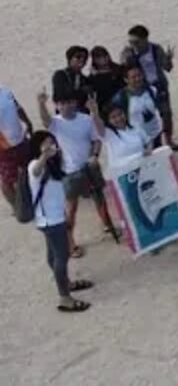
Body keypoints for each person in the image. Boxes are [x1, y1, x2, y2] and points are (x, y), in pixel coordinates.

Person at [36, 89, 113, 257]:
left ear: (75, 103)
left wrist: (94, 155)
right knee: (71, 210)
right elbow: (45, 120)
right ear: (57, 105)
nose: (66, 106)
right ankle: (70, 243)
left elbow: (96, 140)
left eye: (69, 102)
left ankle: (108, 225)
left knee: (99, 199)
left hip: (90, 167)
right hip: (69, 173)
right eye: (62, 103)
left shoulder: (86, 120)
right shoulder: (55, 123)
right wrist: (41, 103)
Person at [27, 131, 93, 313]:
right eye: (45, 144)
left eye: (52, 143)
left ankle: (66, 283)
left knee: (53, 256)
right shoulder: (36, 164)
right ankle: (65, 297)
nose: (51, 147)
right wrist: (43, 156)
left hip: (53, 218)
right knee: (61, 257)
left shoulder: (54, 165)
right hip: (51, 221)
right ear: (37, 148)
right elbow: (35, 171)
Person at [0, 84, 35, 211]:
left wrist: (28, 122)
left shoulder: (5, 91)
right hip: (4, 148)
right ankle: (16, 207)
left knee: (27, 170)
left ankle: (29, 199)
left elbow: (18, 108)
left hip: (20, 139)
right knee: (7, 179)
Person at [51, 46, 89, 110]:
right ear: (70, 59)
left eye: (85, 58)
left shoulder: (85, 79)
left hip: (82, 116)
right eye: (78, 57)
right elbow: (61, 95)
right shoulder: (60, 75)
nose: (82, 59)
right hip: (64, 116)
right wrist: (82, 91)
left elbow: (88, 100)